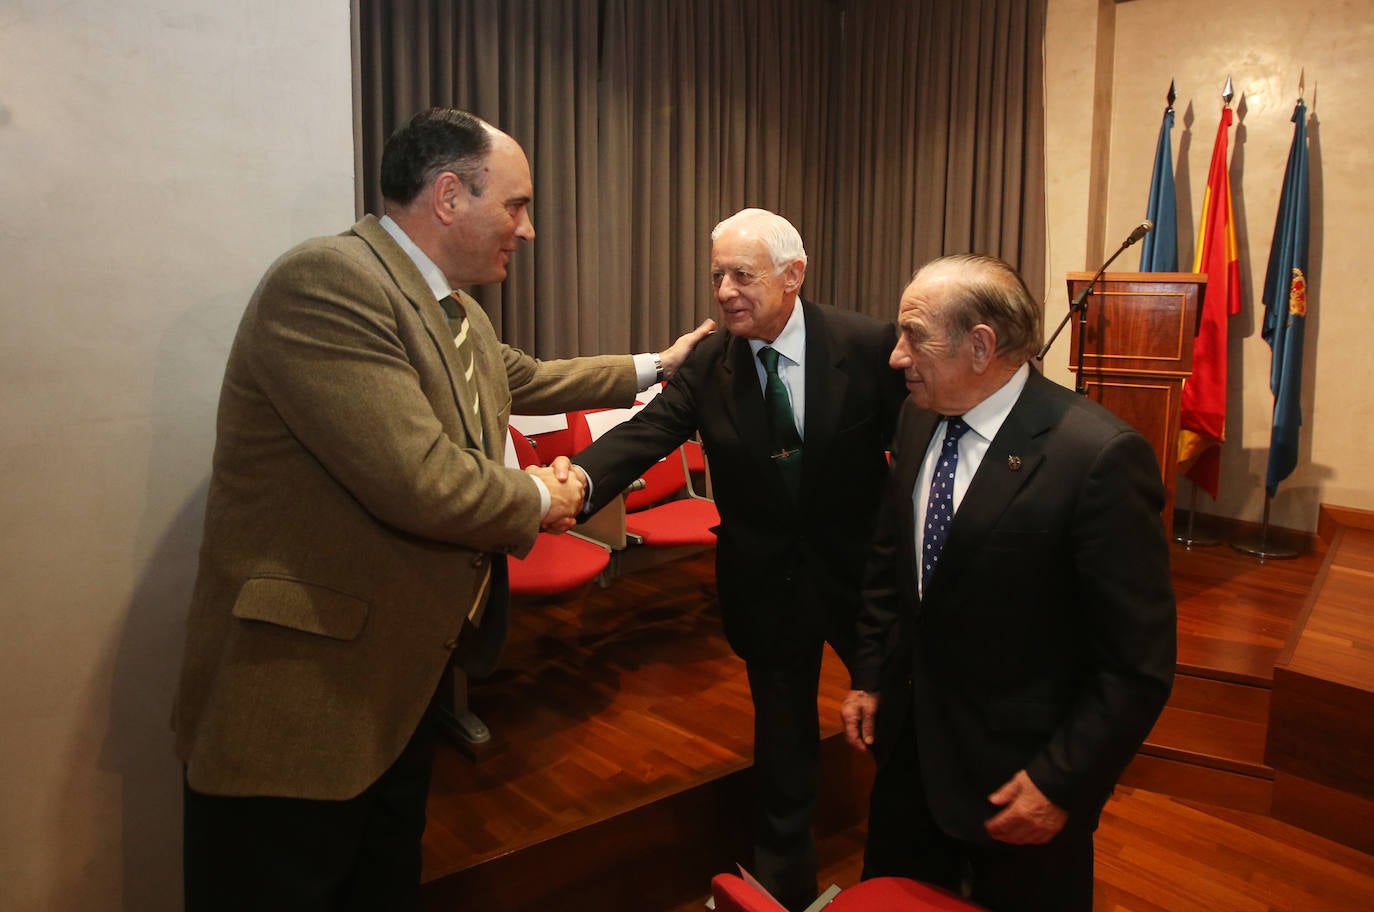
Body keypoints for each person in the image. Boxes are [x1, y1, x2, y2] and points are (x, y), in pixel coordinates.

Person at [172, 107, 712, 910]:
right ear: (450, 195)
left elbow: (524, 376)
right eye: (517, 205)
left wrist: (655, 366)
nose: (526, 230)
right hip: (305, 697)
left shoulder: (449, 307)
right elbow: (417, 480)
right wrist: (548, 495)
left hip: (395, 681)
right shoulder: (329, 283)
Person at [569, 208, 907, 911]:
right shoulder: (709, 363)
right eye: (716, 275)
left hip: (862, 580)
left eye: (742, 275)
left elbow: (919, 444)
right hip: (766, 583)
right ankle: (783, 887)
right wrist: (573, 482)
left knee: (898, 723)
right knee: (782, 745)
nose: (724, 291)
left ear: (794, 276)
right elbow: (650, 432)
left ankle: (901, 877)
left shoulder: (867, 344)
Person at [841, 254, 1176, 911]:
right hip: (910, 758)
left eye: (914, 335)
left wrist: (1061, 782)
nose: (895, 358)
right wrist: (871, 673)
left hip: (1020, 776)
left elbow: (1136, 664)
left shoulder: (1097, 457)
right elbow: (890, 560)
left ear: (981, 345)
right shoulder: (916, 415)